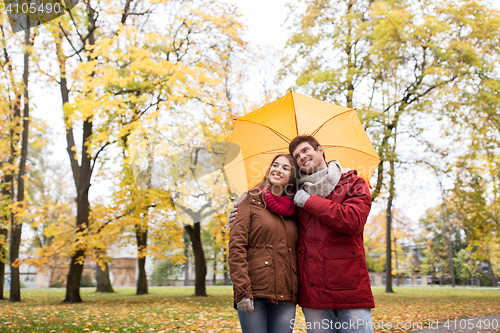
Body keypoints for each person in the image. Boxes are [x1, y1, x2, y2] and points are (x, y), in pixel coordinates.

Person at [231, 135, 375, 333]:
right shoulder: (294, 194)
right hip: (313, 290)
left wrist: (308, 201)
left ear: (320, 149)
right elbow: (270, 214)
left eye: (306, 150)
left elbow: (353, 221)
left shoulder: (353, 183)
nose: (302, 157)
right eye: (297, 156)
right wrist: (238, 214)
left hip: (349, 286)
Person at [228, 154, 299, 333]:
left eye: (285, 167)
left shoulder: (296, 210)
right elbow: (237, 248)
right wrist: (243, 291)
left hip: (286, 294)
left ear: (293, 176)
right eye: (275, 165)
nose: (278, 169)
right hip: (254, 292)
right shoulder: (249, 200)